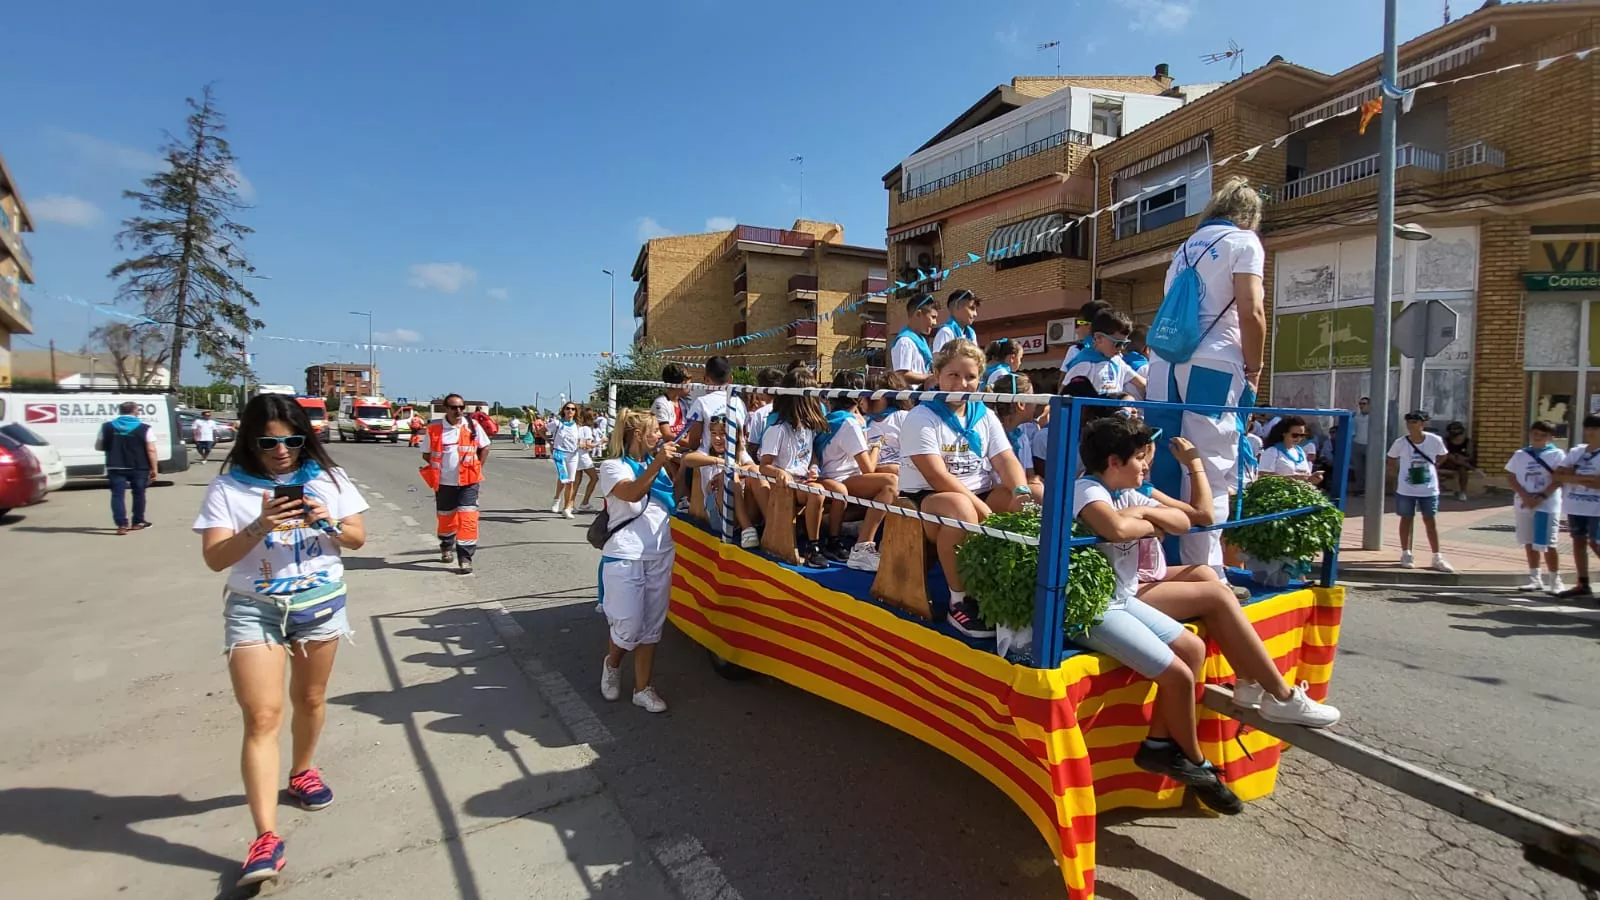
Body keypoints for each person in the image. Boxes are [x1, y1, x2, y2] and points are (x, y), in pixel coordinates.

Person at [193, 394, 368, 886]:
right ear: (250, 440)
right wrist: (259, 525)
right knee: (263, 716)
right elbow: (215, 558)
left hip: (320, 605)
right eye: (268, 442)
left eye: (291, 440)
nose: (281, 450)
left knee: (310, 698)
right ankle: (265, 837)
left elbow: (356, 539)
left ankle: (303, 770)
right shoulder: (228, 488)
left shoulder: (329, 480)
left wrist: (323, 520)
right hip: (255, 609)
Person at [1068, 415, 1242, 815]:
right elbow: (1115, 531)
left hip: (1123, 597)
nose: (1146, 466)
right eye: (1139, 459)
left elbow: (1185, 521)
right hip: (1092, 606)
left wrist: (1142, 519)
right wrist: (1145, 523)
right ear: (1114, 461)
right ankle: (1197, 764)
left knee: (1193, 649)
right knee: (1179, 674)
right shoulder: (1086, 489)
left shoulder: (1126, 493)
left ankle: (1159, 745)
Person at [1144, 177, 1268, 578]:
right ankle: (1205, 571)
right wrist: (1255, 366)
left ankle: (1160, 563)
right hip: (1214, 363)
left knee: (1161, 460)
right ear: (1249, 215)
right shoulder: (1244, 242)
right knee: (1210, 466)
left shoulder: (1183, 249)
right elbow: (1251, 311)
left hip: (1163, 363)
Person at [899, 339, 1031, 638]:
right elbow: (936, 476)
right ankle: (960, 600)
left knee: (1036, 493)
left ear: (980, 379)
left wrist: (1022, 492)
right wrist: (980, 506)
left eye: (970, 377)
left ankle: (1017, 586)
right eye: (953, 375)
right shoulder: (921, 416)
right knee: (962, 510)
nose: (962, 383)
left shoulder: (984, 414)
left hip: (976, 492)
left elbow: (1005, 458)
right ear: (937, 375)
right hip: (928, 497)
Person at [598, 409, 681, 714]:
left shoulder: (656, 466)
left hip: (660, 552)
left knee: (651, 627)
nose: (660, 436)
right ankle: (613, 662)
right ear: (637, 435)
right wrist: (658, 463)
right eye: (655, 432)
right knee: (629, 625)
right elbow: (631, 494)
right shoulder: (612, 466)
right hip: (625, 554)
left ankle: (642, 689)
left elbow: (674, 497)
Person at [814, 370, 898, 572]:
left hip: (837, 473)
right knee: (891, 483)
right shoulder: (849, 423)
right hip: (840, 478)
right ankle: (863, 546)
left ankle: (856, 524)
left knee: (896, 470)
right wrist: (877, 445)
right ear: (859, 397)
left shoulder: (832, 418)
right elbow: (867, 468)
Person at [752, 368, 831, 569]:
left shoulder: (808, 427)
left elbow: (810, 453)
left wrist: (814, 466)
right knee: (818, 492)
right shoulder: (777, 429)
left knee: (839, 491)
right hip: (783, 486)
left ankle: (833, 538)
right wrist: (781, 472)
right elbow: (764, 465)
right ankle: (813, 547)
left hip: (802, 481)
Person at [419, 393, 491, 572]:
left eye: (461, 407)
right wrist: (442, 467)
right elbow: (426, 453)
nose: (458, 411)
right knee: (446, 519)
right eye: (454, 407)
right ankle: (446, 545)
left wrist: (477, 467)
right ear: (446, 409)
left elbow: (485, 447)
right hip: (444, 483)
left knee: (468, 519)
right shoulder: (435, 429)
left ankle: (465, 557)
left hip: (469, 482)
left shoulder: (472, 426)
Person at [1385, 411, 1455, 573]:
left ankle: (1437, 556)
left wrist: (1433, 467)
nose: (1411, 424)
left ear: (1423, 423)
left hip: (1428, 488)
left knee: (1430, 520)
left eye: (1415, 421)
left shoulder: (1434, 440)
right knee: (1406, 519)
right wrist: (1398, 474)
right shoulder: (1400, 442)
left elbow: (1443, 455)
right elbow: (1391, 459)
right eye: (1408, 421)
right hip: (1406, 488)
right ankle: (1406, 553)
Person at [1506, 420, 1567, 594]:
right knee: (1529, 542)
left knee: (1547, 543)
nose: (1538, 438)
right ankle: (1535, 579)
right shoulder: (1520, 454)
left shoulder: (1557, 454)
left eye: (1543, 435)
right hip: (1524, 503)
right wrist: (1525, 496)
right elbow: (1511, 477)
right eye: (1535, 434)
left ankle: (1556, 580)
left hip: (1547, 505)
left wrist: (1541, 497)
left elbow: (1559, 479)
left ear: (1550, 437)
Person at [97, 400, 159, 535]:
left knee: (117, 495)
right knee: (139, 494)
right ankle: (137, 522)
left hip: (115, 465)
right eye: (138, 410)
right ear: (135, 411)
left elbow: (99, 446)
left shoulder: (106, 427)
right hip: (139, 466)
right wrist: (154, 468)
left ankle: (121, 525)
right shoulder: (145, 428)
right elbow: (151, 450)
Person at [1556, 414, 1600, 600]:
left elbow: (1598, 484)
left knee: (1596, 543)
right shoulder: (1577, 452)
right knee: (1578, 541)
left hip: (1597, 508)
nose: (1589, 432)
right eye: (1587, 428)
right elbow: (1557, 475)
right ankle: (1583, 583)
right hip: (1575, 505)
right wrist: (1585, 479)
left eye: (1594, 429)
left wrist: (1573, 477)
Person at [1062, 309, 1145, 398]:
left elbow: (1142, 383)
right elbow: (1064, 394)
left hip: (1113, 410)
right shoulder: (1083, 364)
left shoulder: (1117, 361)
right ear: (1099, 338)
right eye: (1118, 343)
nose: (1121, 349)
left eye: (1125, 344)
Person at [994, 373, 1045, 499]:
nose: (1036, 404)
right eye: (1033, 398)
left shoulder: (1022, 438)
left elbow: (1029, 474)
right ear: (1021, 404)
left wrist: (1034, 480)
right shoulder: (993, 436)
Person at [864, 370, 912, 475]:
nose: (863, 400)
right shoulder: (864, 422)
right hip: (874, 475)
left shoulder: (901, 417)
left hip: (901, 472)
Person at [890, 293, 940, 385]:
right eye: (933, 317)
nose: (935, 323)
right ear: (918, 314)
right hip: (911, 397)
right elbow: (901, 375)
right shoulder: (905, 342)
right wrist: (930, 377)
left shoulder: (921, 341)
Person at [1258, 416, 1323, 485]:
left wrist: (1312, 479)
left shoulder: (1300, 451)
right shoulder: (1272, 451)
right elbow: (1262, 476)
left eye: (1302, 435)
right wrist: (1290, 478)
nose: (1299, 438)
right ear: (1284, 433)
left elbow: (1305, 477)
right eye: (1295, 435)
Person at [548, 402, 581, 517]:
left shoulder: (577, 425)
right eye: (568, 408)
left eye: (573, 409)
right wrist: (550, 442)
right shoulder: (556, 423)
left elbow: (580, 440)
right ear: (564, 410)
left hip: (573, 455)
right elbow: (541, 430)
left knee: (570, 481)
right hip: (559, 453)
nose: (570, 411)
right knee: (564, 478)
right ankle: (557, 499)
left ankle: (567, 508)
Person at [1060, 299, 1111, 372]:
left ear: (1091, 325)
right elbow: (1064, 381)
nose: (1076, 330)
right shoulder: (1076, 350)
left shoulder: (1118, 355)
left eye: (1078, 324)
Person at [931, 288, 979, 353]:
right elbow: (939, 360)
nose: (975, 314)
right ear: (957, 306)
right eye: (971, 308)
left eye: (976, 310)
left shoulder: (971, 334)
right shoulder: (946, 332)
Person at [1439, 420, 1476, 501]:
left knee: (1462, 469)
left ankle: (1463, 492)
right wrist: (1454, 457)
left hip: (1461, 464)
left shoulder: (1467, 441)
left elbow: (1469, 456)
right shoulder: (1446, 440)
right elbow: (1444, 454)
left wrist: (1462, 458)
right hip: (1447, 462)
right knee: (1451, 457)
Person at [575, 408, 601, 511]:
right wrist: (600, 442)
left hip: (576, 456)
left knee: (576, 481)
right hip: (583, 457)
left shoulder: (577, 428)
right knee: (594, 478)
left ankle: (570, 504)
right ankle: (585, 502)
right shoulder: (586, 429)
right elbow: (588, 445)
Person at [1350, 397, 1371, 495]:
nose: (1362, 406)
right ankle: (1360, 488)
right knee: (1358, 468)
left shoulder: (1374, 418)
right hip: (1357, 444)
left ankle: (1369, 489)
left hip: (1370, 445)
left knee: (1369, 468)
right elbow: (1353, 431)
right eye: (1360, 404)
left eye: (1364, 403)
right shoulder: (1356, 417)